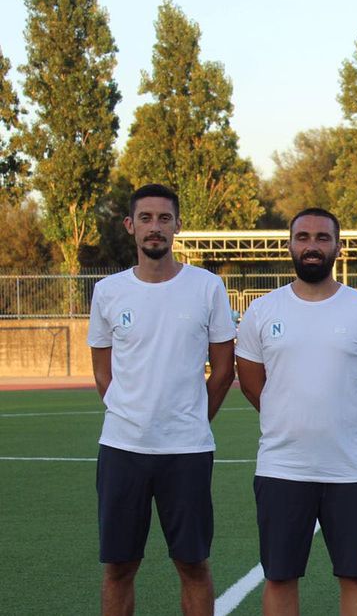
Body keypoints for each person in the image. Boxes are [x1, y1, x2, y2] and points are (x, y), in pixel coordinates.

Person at [235, 208, 357, 616]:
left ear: (338, 247)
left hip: (350, 469)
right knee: (279, 575)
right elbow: (255, 386)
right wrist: (285, 415)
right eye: (304, 237)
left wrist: (350, 416)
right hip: (282, 468)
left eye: (322, 238)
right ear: (290, 245)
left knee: (355, 575)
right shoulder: (262, 311)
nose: (312, 246)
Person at [87, 183, 236, 616]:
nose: (156, 227)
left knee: (192, 564)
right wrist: (128, 412)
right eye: (147, 218)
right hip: (122, 449)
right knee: (119, 566)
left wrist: (192, 420)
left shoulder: (206, 287)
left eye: (164, 218)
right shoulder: (109, 291)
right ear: (130, 226)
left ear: (177, 226)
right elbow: (102, 368)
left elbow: (223, 370)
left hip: (186, 450)